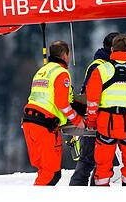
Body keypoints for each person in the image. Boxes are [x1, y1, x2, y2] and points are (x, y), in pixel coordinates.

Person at [85, 34, 126, 186]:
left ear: (112, 49)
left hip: (107, 122)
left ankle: (102, 196)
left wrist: (91, 121)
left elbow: (92, 100)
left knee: (103, 165)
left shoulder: (101, 70)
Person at [22, 40, 84, 185]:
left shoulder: (42, 71)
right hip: (45, 125)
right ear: (64, 55)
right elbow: (62, 103)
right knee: (51, 173)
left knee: (44, 170)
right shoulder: (61, 73)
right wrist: (77, 120)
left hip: (29, 122)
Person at [69, 31, 118, 186]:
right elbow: (91, 94)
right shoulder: (100, 66)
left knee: (98, 162)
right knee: (88, 160)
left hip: (100, 118)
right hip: (94, 118)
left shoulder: (104, 64)